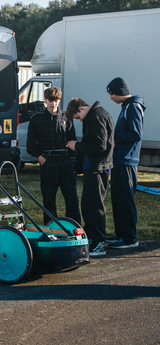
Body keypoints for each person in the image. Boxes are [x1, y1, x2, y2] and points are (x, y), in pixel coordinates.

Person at [66, 98, 114, 257]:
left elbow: (100, 145)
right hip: (94, 167)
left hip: (97, 167)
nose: (79, 120)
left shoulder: (96, 116)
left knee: (95, 205)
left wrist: (77, 145)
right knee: (88, 204)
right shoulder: (96, 115)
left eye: (78, 117)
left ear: (81, 108)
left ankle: (99, 241)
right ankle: (93, 237)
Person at [26, 87, 80, 225]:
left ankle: (74, 228)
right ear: (45, 100)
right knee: (49, 199)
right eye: (50, 101)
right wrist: (41, 159)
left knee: (71, 198)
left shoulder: (67, 118)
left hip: (66, 161)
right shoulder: (36, 119)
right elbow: (31, 145)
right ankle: (51, 230)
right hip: (48, 162)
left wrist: (72, 159)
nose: (53, 104)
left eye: (56, 101)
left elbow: (72, 140)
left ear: (59, 100)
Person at [105, 77, 145, 249]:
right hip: (120, 160)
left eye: (112, 93)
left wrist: (112, 137)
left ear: (120, 92)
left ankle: (129, 238)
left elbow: (136, 134)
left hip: (127, 160)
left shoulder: (133, 107)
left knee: (125, 200)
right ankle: (121, 234)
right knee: (118, 200)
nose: (111, 97)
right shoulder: (126, 107)